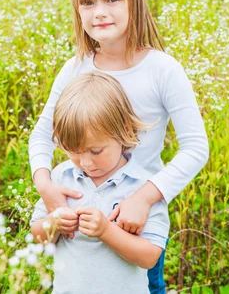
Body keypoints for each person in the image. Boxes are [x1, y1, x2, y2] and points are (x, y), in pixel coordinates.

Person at [29, 0, 209, 293]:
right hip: (80, 217)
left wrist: (143, 198)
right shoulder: (75, 68)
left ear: (134, 2)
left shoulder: (162, 70)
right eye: (88, 2)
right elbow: (42, 135)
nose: (99, 11)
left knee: (143, 284)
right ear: (78, 11)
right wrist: (46, 187)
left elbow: (196, 147)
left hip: (133, 220)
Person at [30, 72, 169, 293]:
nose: (85, 162)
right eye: (74, 152)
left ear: (123, 131)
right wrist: (53, 223)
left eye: (96, 151)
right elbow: (36, 237)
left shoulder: (143, 187)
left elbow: (150, 257)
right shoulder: (61, 177)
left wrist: (106, 231)